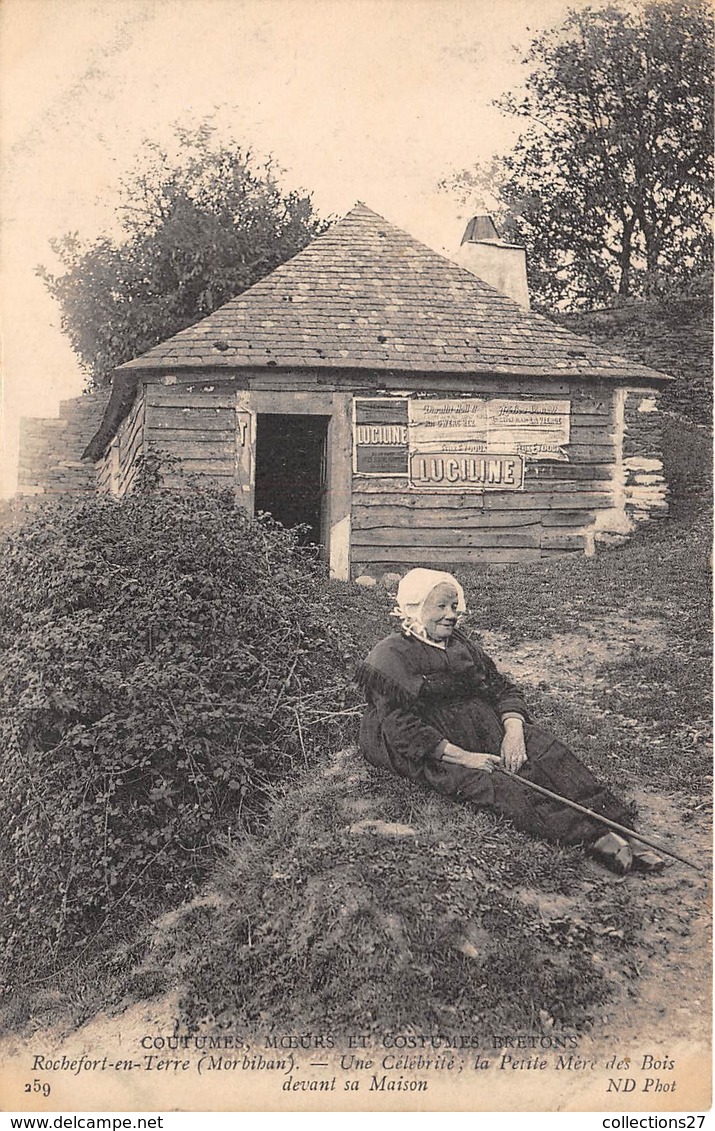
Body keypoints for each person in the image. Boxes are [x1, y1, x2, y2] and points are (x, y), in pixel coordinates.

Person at [356, 568, 664, 875]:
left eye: (454, 606)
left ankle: (621, 826)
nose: (451, 615)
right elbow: (402, 729)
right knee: (501, 786)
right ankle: (593, 837)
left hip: (475, 723)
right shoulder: (390, 655)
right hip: (430, 745)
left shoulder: (460, 645)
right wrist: (467, 758)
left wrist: (513, 731)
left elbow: (501, 688)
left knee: (548, 754)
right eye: (440, 607)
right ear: (414, 608)